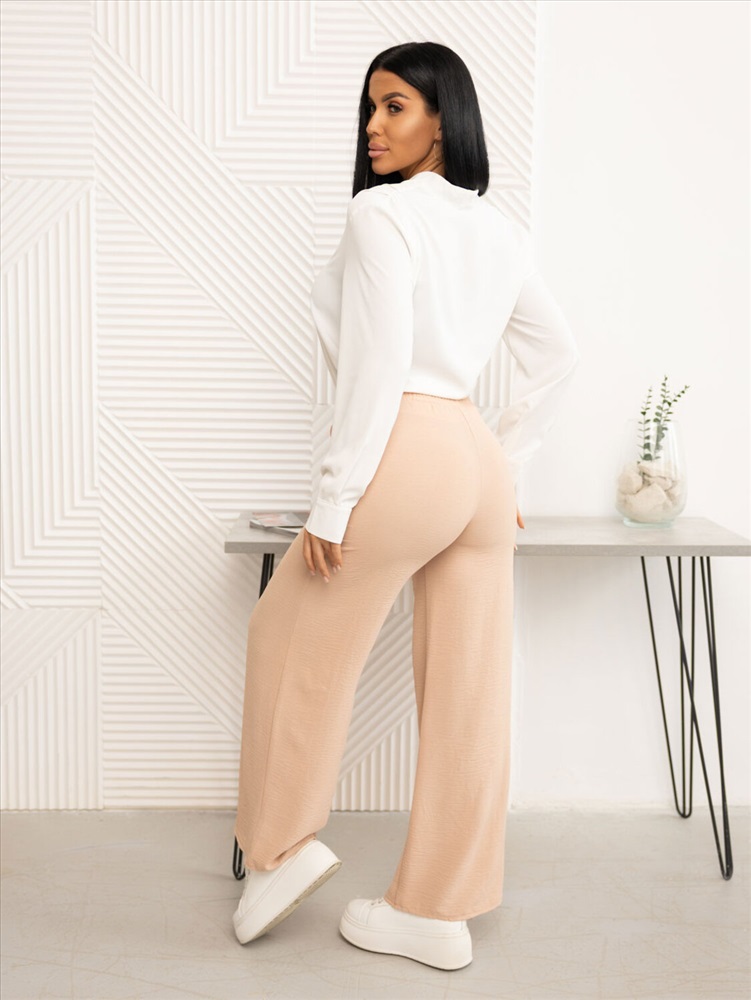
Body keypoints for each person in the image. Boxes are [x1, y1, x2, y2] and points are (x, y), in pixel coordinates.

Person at [231, 41, 579, 971]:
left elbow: (380, 357)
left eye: (394, 107)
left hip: (408, 443)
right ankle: (435, 909)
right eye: (370, 108)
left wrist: (335, 498)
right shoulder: (497, 229)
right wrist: (509, 462)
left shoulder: (381, 213)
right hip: (473, 456)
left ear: (442, 119)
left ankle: (277, 855)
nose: (373, 127)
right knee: (470, 687)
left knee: (289, 639)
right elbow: (558, 354)